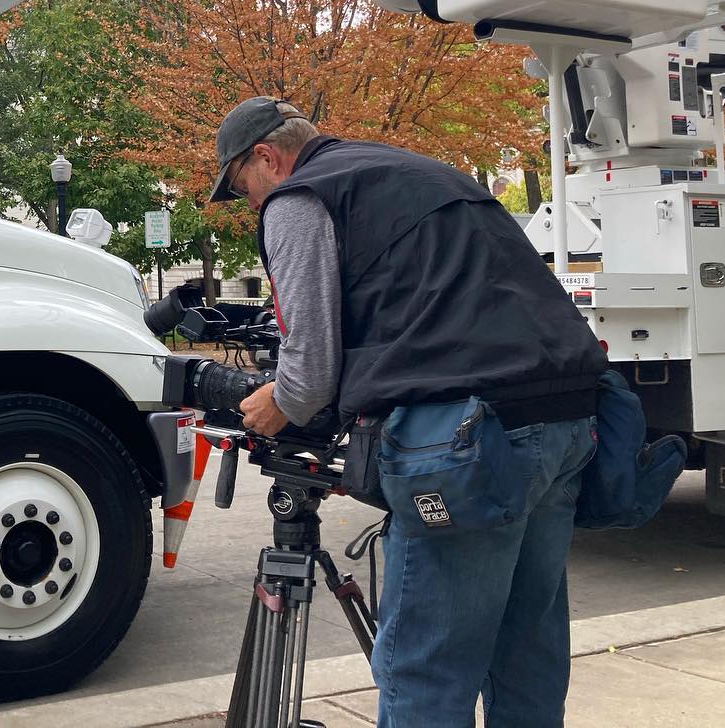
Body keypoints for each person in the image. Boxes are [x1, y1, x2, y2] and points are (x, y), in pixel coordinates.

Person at [208, 96, 605, 728]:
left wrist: (273, 402)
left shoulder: (299, 199)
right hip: (566, 419)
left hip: (467, 441)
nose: (250, 203)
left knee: (427, 667)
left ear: (267, 157)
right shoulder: (419, 171)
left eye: (243, 187)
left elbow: (307, 374)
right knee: (526, 651)